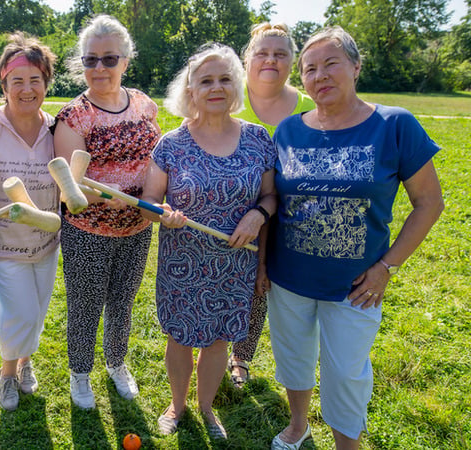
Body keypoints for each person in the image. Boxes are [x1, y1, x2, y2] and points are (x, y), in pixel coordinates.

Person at [267, 26, 444, 450]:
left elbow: (429, 204)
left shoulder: (394, 124)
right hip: (288, 276)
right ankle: (298, 424)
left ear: (356, 66)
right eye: (310, 69)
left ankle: (347, 445)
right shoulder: (288, 131)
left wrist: (387, 267)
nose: (320, 76)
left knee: (346, 370)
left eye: (332, 64)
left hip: (356, 285)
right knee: (293, 359)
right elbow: (273, 201)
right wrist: (261, 269)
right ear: (302, 80)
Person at [141, 43, 276, 440]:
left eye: (224, 79)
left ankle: (206, 407)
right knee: (180, 336)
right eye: (206, 81)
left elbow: (270, 196)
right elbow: (148, 203)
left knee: (219, 339)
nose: (216, 87)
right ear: (191, 90)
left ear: (235, 86)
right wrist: (162, 212)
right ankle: (178, 405)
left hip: (235, 262)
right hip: (183, 261)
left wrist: (258, 213)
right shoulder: (171, 143)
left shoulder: (258, 139)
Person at [52, 14, 161, 409]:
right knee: (84, 304)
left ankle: (117, 363)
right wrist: (109, 197)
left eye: (109, 59)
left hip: (136, 229)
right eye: (90, 60)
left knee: (123, 301)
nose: (99, 68)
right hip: (88, 230)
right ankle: (80, 375)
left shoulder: (145, 106)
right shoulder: (74, 116)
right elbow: (68, 189)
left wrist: (150, 197)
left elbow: (157, 161)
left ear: (126, 61)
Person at [0, 33, 59, 412]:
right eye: (17, 81)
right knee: (19, 310)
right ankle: (6, 373)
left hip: (46, 240)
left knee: (36, 310)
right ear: (3, 84)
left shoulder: (55, 128)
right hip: (3, 240)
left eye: (35, 79)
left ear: (46, 83)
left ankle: (25, 362)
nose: (26, 89)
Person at [227, 22, 316, 389]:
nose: (270, 60)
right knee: (226, 279)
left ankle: (241, 356)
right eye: (262, 53)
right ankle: (214, 342)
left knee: (261, 285)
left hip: (289, 215)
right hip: (230, 210)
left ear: (292, 62)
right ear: (247, 60)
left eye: (280, 54)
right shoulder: (230, 95)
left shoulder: (307, 105)